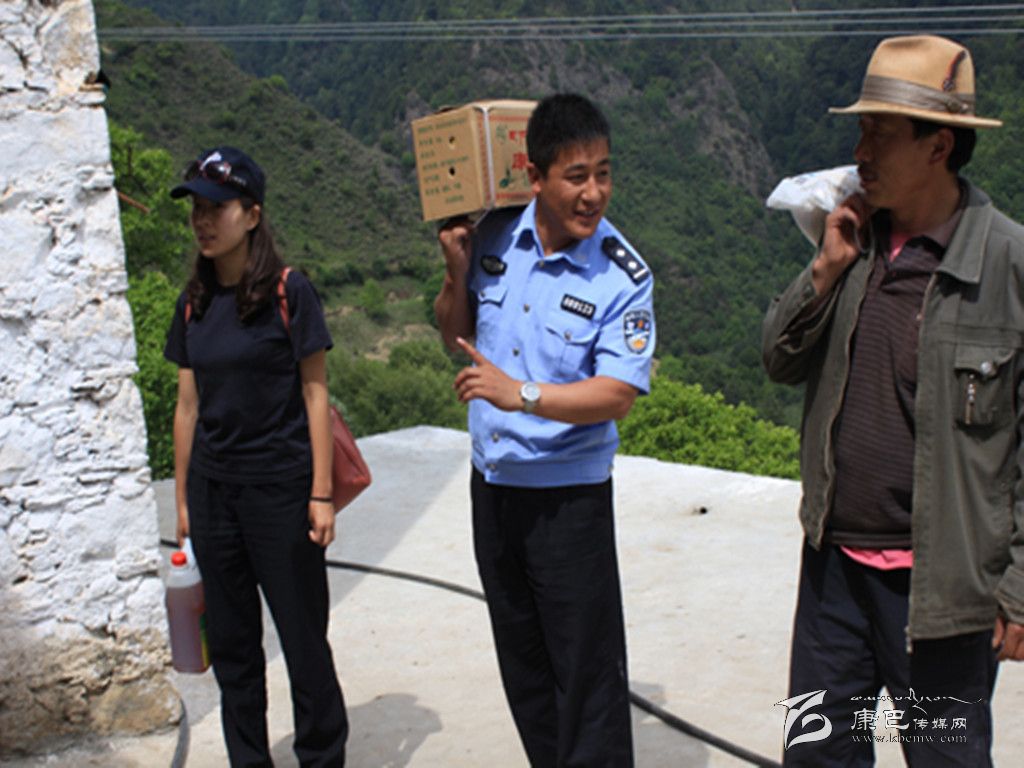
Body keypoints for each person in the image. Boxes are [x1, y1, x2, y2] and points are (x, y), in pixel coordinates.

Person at [763, 35, 1024, 767]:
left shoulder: (1007, 267)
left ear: (938, 146)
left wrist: (1018, 588)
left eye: (880, 133)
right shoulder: (853, 244)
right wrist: (824, 269)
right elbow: (778, 360)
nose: (860, 151)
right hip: (832, 577)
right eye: (862, 131)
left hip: (942, 593)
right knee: (816, 755)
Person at [434, 93, 655, 767]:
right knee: (524, 666)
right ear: (535, 177)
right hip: (494, 488)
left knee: (586, 678)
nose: (594, 193)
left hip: (568, 502)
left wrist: (521, 394)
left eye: (604, 174)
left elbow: (618, 393)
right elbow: (454, 336)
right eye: (576, 176)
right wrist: (456, 273)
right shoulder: (497, 238)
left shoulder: (621, 274)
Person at [163, 146, 348, 767]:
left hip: (282, 492)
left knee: (303, 641)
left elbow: (315, 393)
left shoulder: (289, 292)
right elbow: (187, 407)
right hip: (215, 495)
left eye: (217, 208)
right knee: (234, 649)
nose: (203, 221)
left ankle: (322, 756)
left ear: (252, 214)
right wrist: (184, 502)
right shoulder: (193, 301)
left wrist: (321, 494)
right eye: (196, 208)